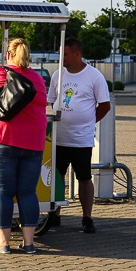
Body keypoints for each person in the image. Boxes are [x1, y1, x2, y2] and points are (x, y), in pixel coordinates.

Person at [0, 38, 48, 254]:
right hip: (33, 142)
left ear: (8, 54)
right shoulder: (37, 79)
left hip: (1, 140)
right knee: (27, 193)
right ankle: (29, 243)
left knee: (3, 192)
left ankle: (3, 243)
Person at [47, 38, 111, 234]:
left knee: (84, 177)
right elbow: (51, 101)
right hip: (59, 137)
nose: (62, 58)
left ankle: (87, 217)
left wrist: (88, 122)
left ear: (77, 54)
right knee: (57, 176)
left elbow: (105, 105)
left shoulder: (94, 76)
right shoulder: (58, 74)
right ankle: (54, 213)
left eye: (65, 54)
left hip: (81, 139)